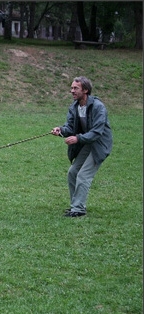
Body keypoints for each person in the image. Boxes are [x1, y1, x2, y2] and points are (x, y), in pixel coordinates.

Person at [51, 76, 113, 217]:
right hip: (86, 142)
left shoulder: (98, 107)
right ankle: (75, 205)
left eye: (75, 88)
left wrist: (77, 138)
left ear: (85, 90)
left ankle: (78, 209)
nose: (72, 91)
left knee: (84, 175)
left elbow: (97, 132)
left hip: (99, 144)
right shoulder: (74, 107)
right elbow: (70, 127)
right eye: (71, 88)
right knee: (73, 172)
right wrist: (60, 130)